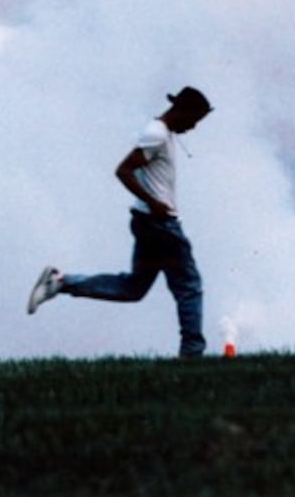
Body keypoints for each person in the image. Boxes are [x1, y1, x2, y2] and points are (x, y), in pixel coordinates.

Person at [28, 86, 213, 357]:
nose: (193, 128)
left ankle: (60, 282)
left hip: (147, 222)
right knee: (189, 288)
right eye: (194, 121)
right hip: (161, 224)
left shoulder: (160, 133)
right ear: (182, 111)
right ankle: (192, 353)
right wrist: (154, 203)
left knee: (133, 287)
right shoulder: (157, 134)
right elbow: (123, 171)